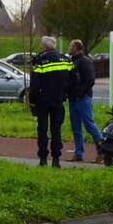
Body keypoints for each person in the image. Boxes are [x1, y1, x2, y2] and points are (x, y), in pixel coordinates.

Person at [29, 36, 74, 167]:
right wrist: (65, 93)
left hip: (43, 101)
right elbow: (73, 80)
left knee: (42, 130)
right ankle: (56, 160)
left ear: (44, 46)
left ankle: (43, 159)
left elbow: (35, 84)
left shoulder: (40, 60)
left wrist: (32, 100)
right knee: (56, 130)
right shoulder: (65, 59)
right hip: (58, 100)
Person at [66, 39, 104, 162]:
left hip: (82, 98)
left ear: (77, 48)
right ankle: (78, 153)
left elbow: (90, 80)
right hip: (73, 98)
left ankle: (102, 151)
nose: (69, 48)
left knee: (89, 124)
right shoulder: (72, 62)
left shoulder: (85, 61)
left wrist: (80, 94)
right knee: (76, 127)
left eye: (71, 46)